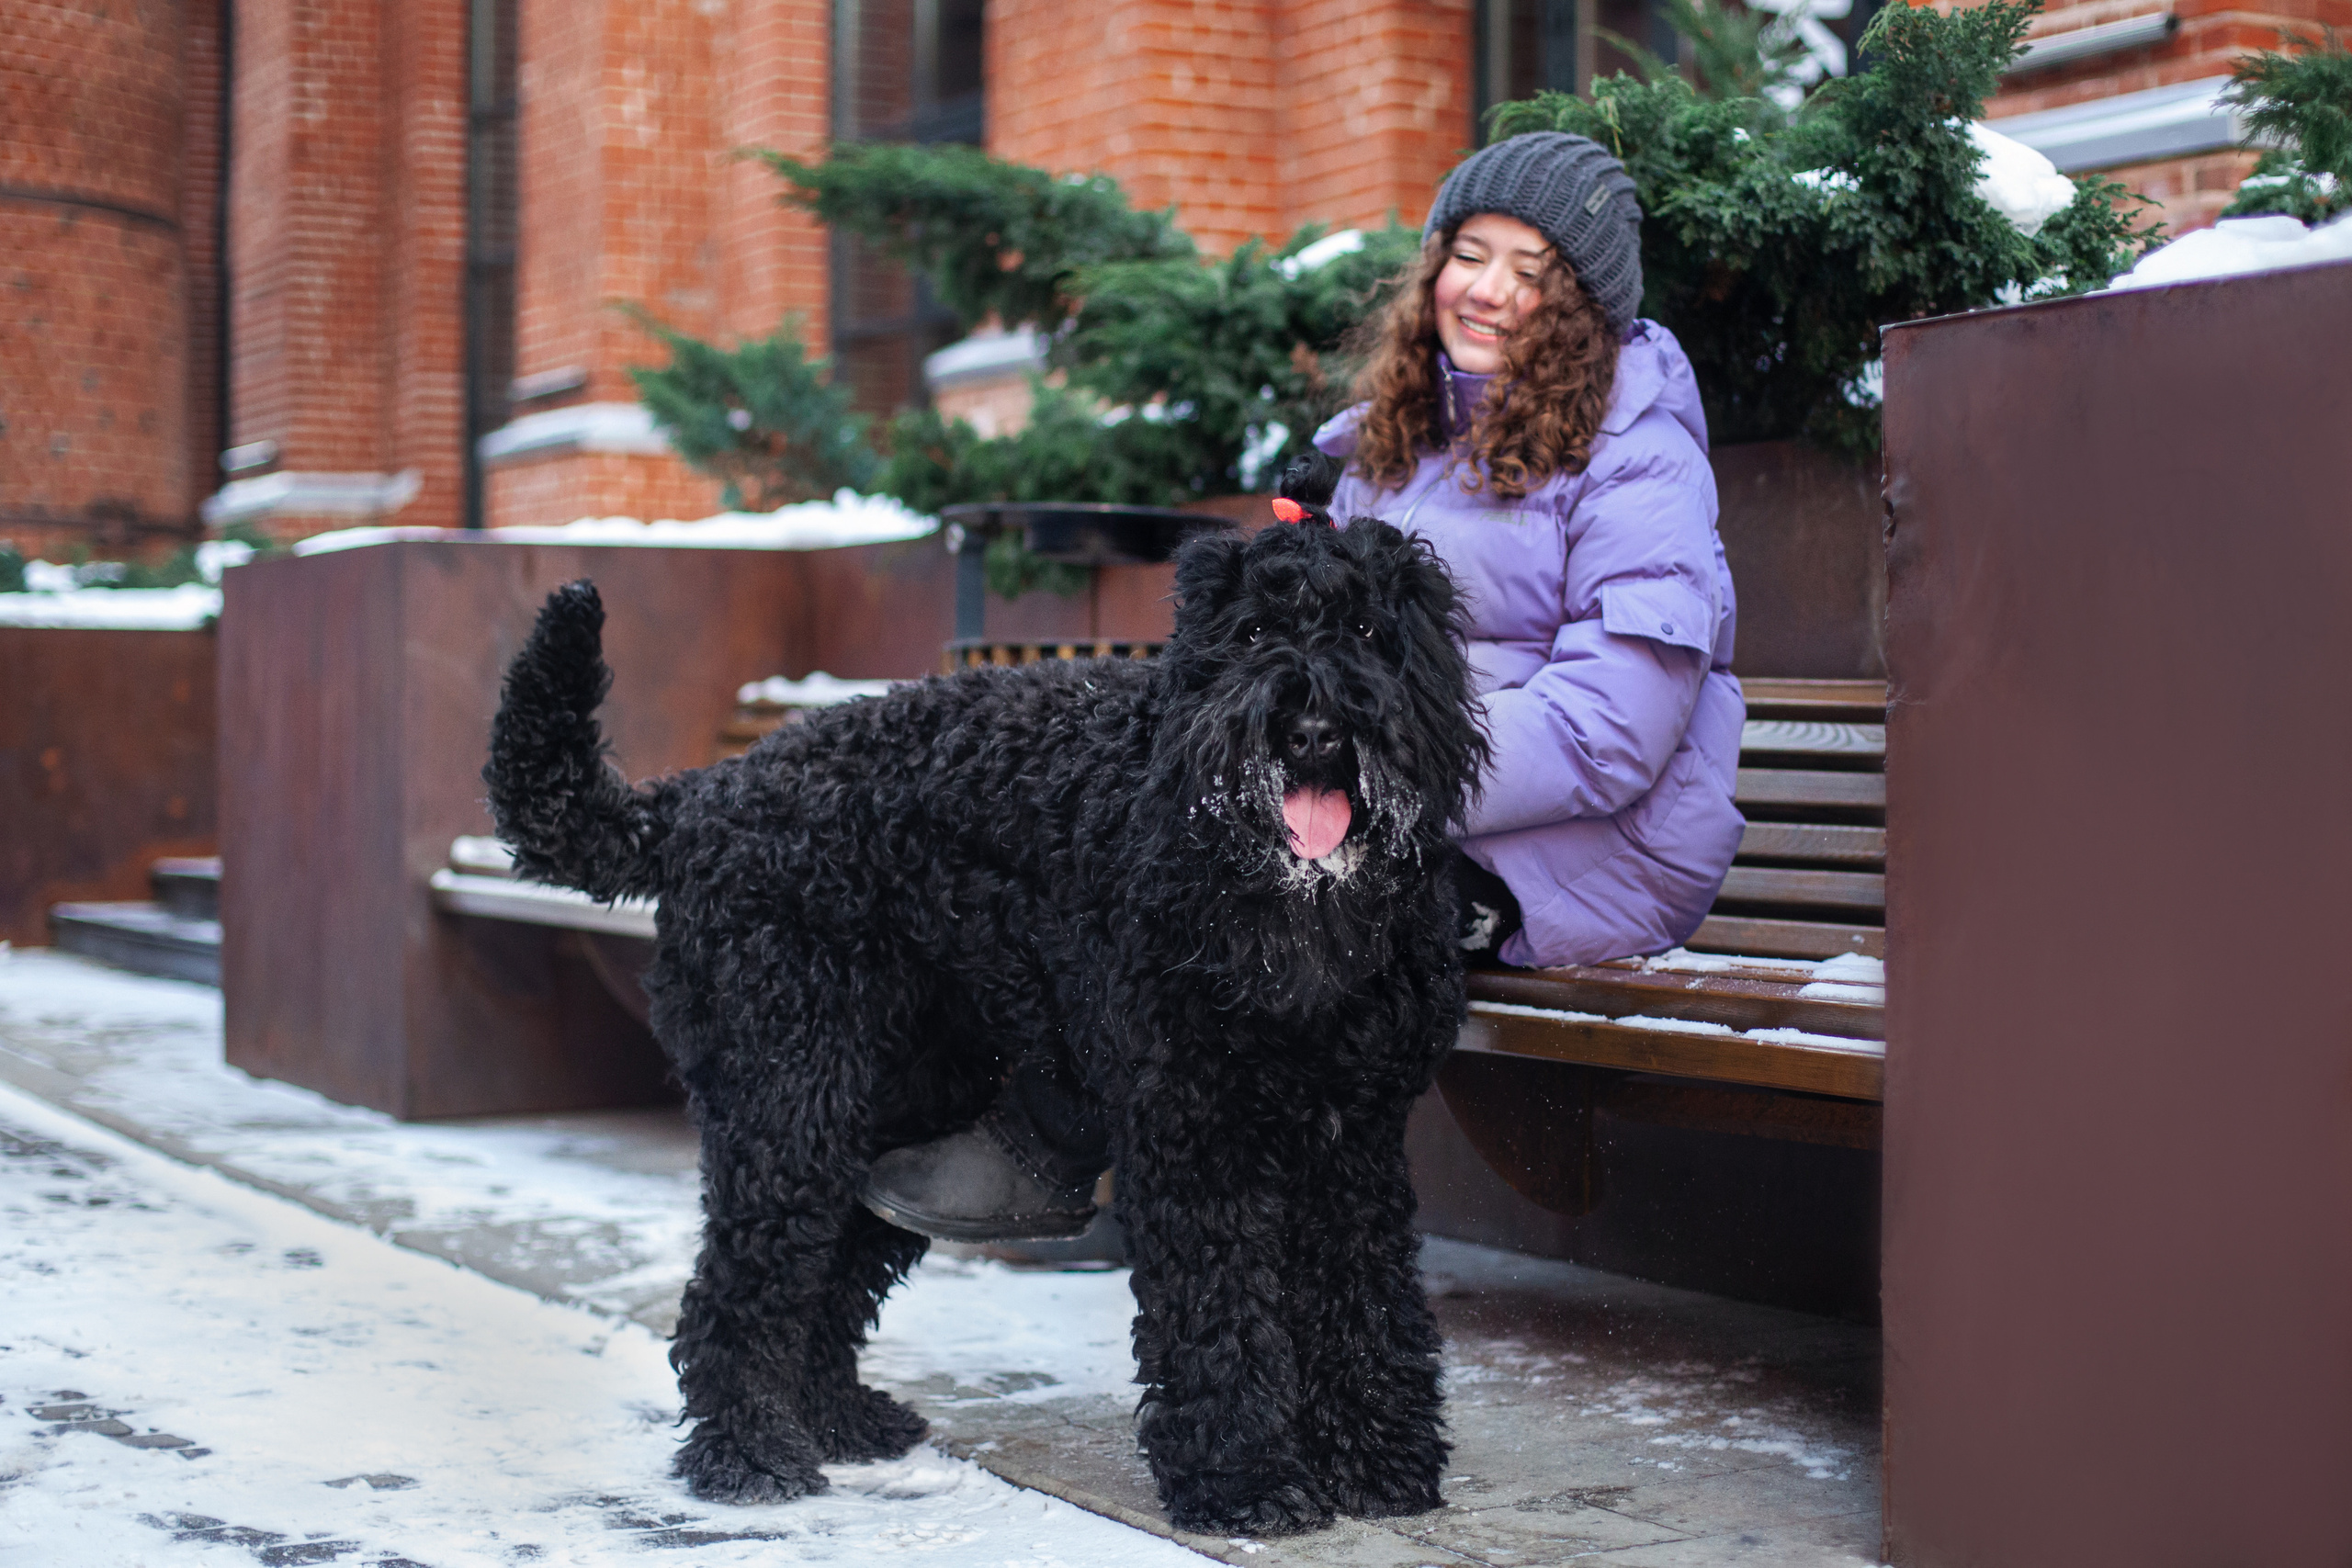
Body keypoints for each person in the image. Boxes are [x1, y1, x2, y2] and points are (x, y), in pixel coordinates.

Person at [863, 130, 1745, 1243]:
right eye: (1470, 254)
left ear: (1581, 309)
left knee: (1232, 905)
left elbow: (1616, 725)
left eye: (1533, 272)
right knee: (1163, 841)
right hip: (1403, 799)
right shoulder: (1406, 432)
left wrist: (1395, 780)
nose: (1487, 292)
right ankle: (1115, 1158)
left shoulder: (1636, 457)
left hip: (1584, 847)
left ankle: (1070, 1146)